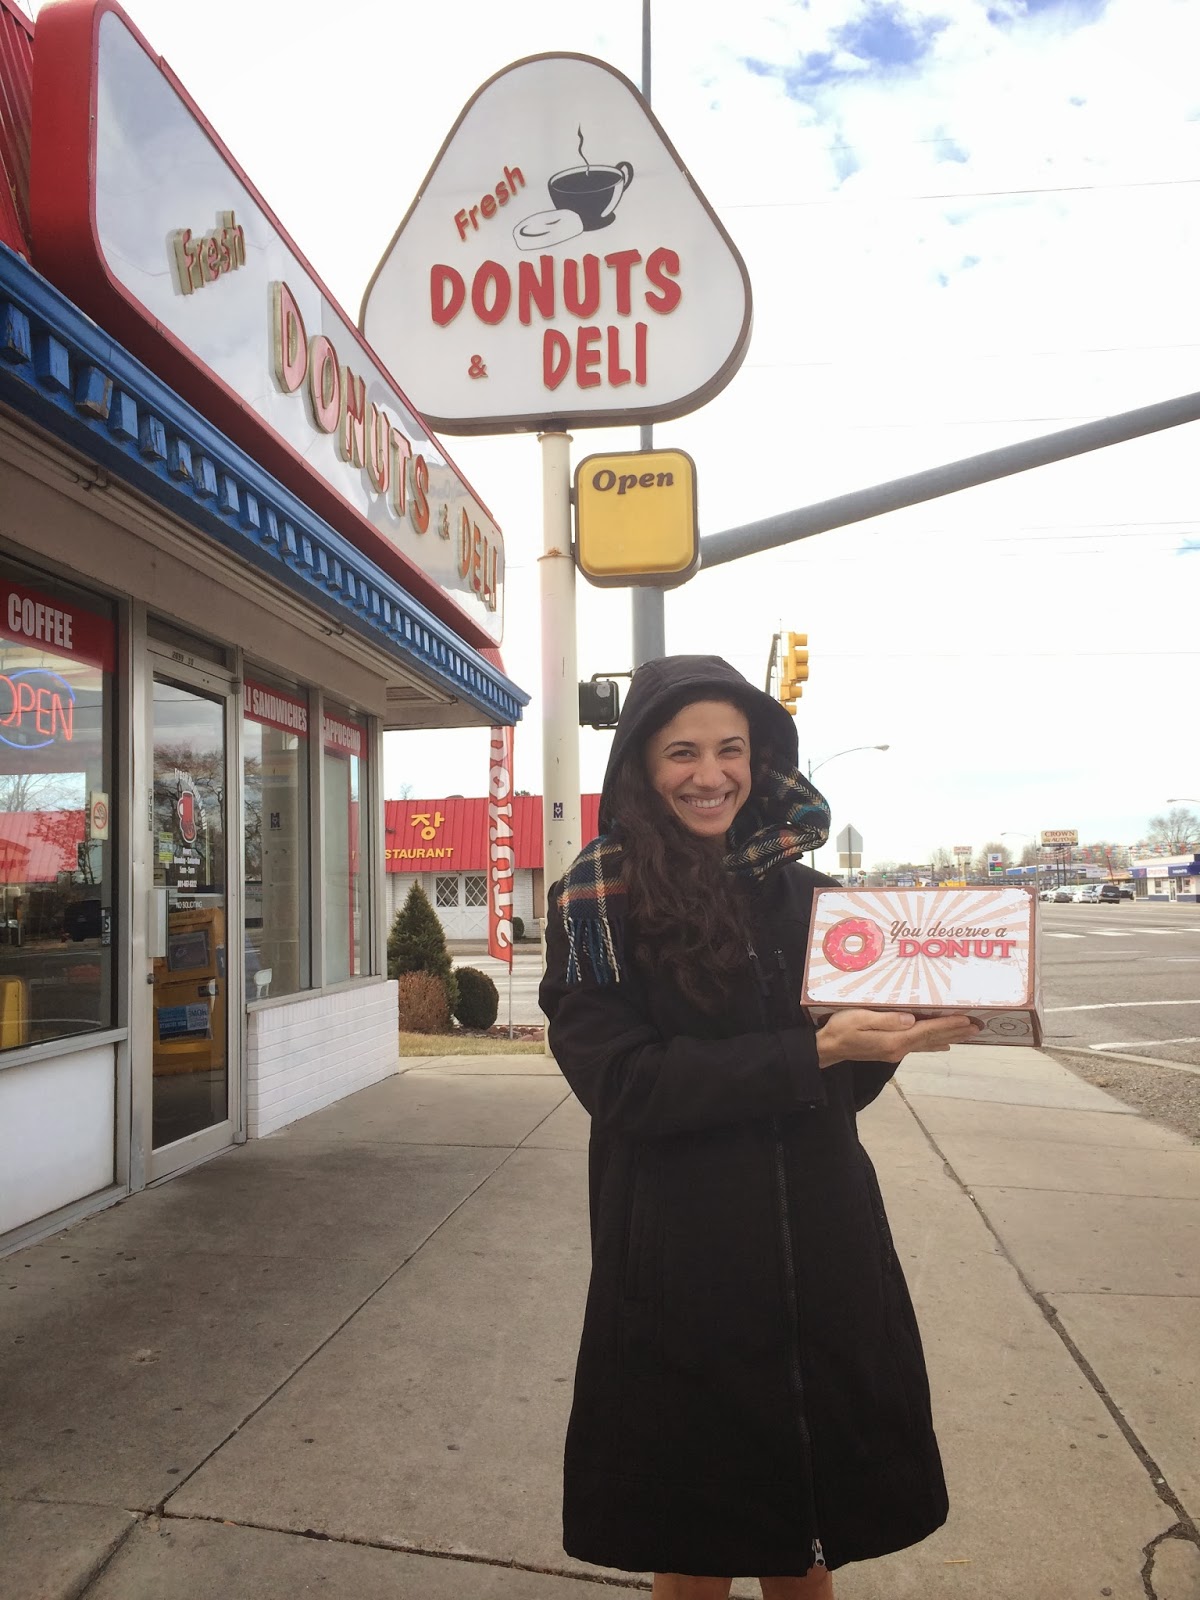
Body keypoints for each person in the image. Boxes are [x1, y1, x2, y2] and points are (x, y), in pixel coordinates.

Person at [539, 655, 980, 1600]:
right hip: (684, 1261)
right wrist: (812, 1053)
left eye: (731, 750)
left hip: (825, 1254)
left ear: (761, 759)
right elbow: (622, 1084)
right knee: (697, 1541)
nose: (711, 774)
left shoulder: (809, 896)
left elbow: (834, 1090)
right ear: (641, 769)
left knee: (809, 1537)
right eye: (683, 752)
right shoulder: (597, 900)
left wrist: (881, 1044)